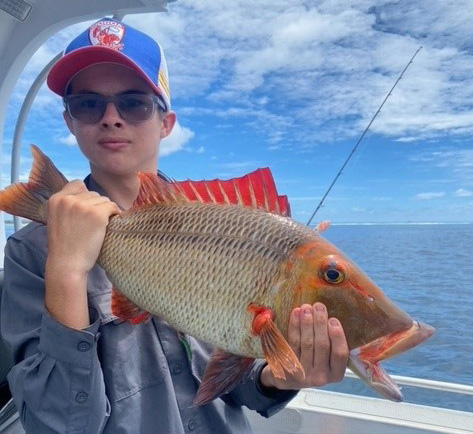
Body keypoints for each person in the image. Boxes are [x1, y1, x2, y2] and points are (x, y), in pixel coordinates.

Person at [0, 17, 349, 434]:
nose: (111, 118)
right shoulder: (31, 252)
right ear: (69, 121)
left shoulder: (223, 227)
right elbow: (56, 423)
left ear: (165, 122)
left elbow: (235, 383)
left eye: (134, 103)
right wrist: (67, 270)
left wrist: (274, 377)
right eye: (88, 104)